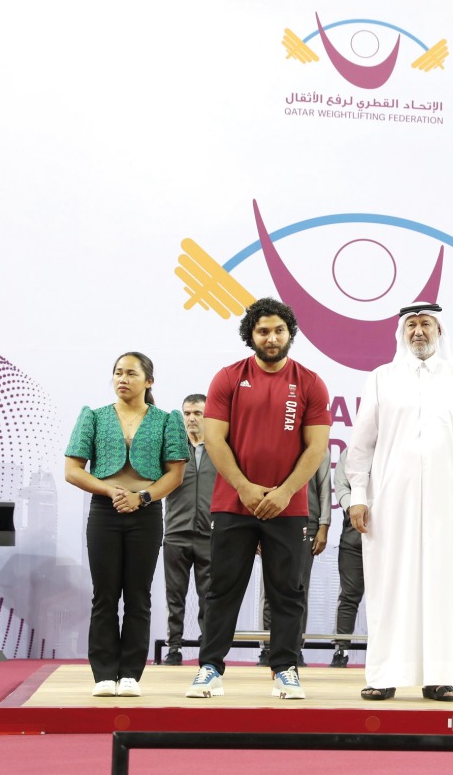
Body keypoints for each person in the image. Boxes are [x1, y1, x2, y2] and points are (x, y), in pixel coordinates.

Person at [346, 302, 453, 701]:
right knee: (388, 585)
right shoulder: (381, 379)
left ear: (439, 330)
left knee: (444, 585)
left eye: (425, 324)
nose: (418, 332)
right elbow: (359, 446)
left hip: (447, 504)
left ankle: (440, 676)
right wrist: (358, 496)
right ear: (401, 332)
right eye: (411, 325)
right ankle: (382, 675)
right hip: (389, 503)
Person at [186, 298, 330, 700]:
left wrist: (284, 492)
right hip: (234, 504)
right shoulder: (228, 378)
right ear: (250, 335)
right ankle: (210, 668)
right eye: (263, 331)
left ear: (290, 334)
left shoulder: (311, 382)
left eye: (278, 330)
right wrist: (246, 488)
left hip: (289, 507)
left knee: (288, 592)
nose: (271, 338)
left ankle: (285, 669)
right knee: (222, 589)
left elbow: (316, 448)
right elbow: (214, 439)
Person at [64, 352, 187, 697]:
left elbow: (175, 475)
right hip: (104, 513)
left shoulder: (166, 420)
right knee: (104, 595)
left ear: (149, 381)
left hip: (145, 515)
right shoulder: (94, 417)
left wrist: (142, 498)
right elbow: (72, 470)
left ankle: (130, 673)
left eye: (131, 373)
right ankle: (104, 673)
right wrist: (110, 490)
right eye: (118, 373)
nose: (122, 379)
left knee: (138, 596)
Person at [259, 454, 330, 668]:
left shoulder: (319, 448)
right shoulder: (275, 440)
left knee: (299, 591)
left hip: (306, 523)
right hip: (272, 519)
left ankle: (294, 648)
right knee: (268, 590)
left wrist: (324, 525)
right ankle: (267, 648)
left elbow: (324, 488)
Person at [160, 394, 215, 666]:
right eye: (187, 413)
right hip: (176, 534)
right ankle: (174, 648)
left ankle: (208, 650)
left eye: (198, 413)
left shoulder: (221, 451)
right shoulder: (172, 452)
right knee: (175, 597)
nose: (191, 418)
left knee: (209, 598)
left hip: (210, 535)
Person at [330, 447, 363, 668]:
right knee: (349, 597)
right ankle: (341, 650)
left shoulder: (394, 450)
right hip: (353, 539)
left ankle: (392, 654)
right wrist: (355, 506)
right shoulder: (349, 454)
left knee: (390, 599)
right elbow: (340, 486)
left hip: (388, 541)